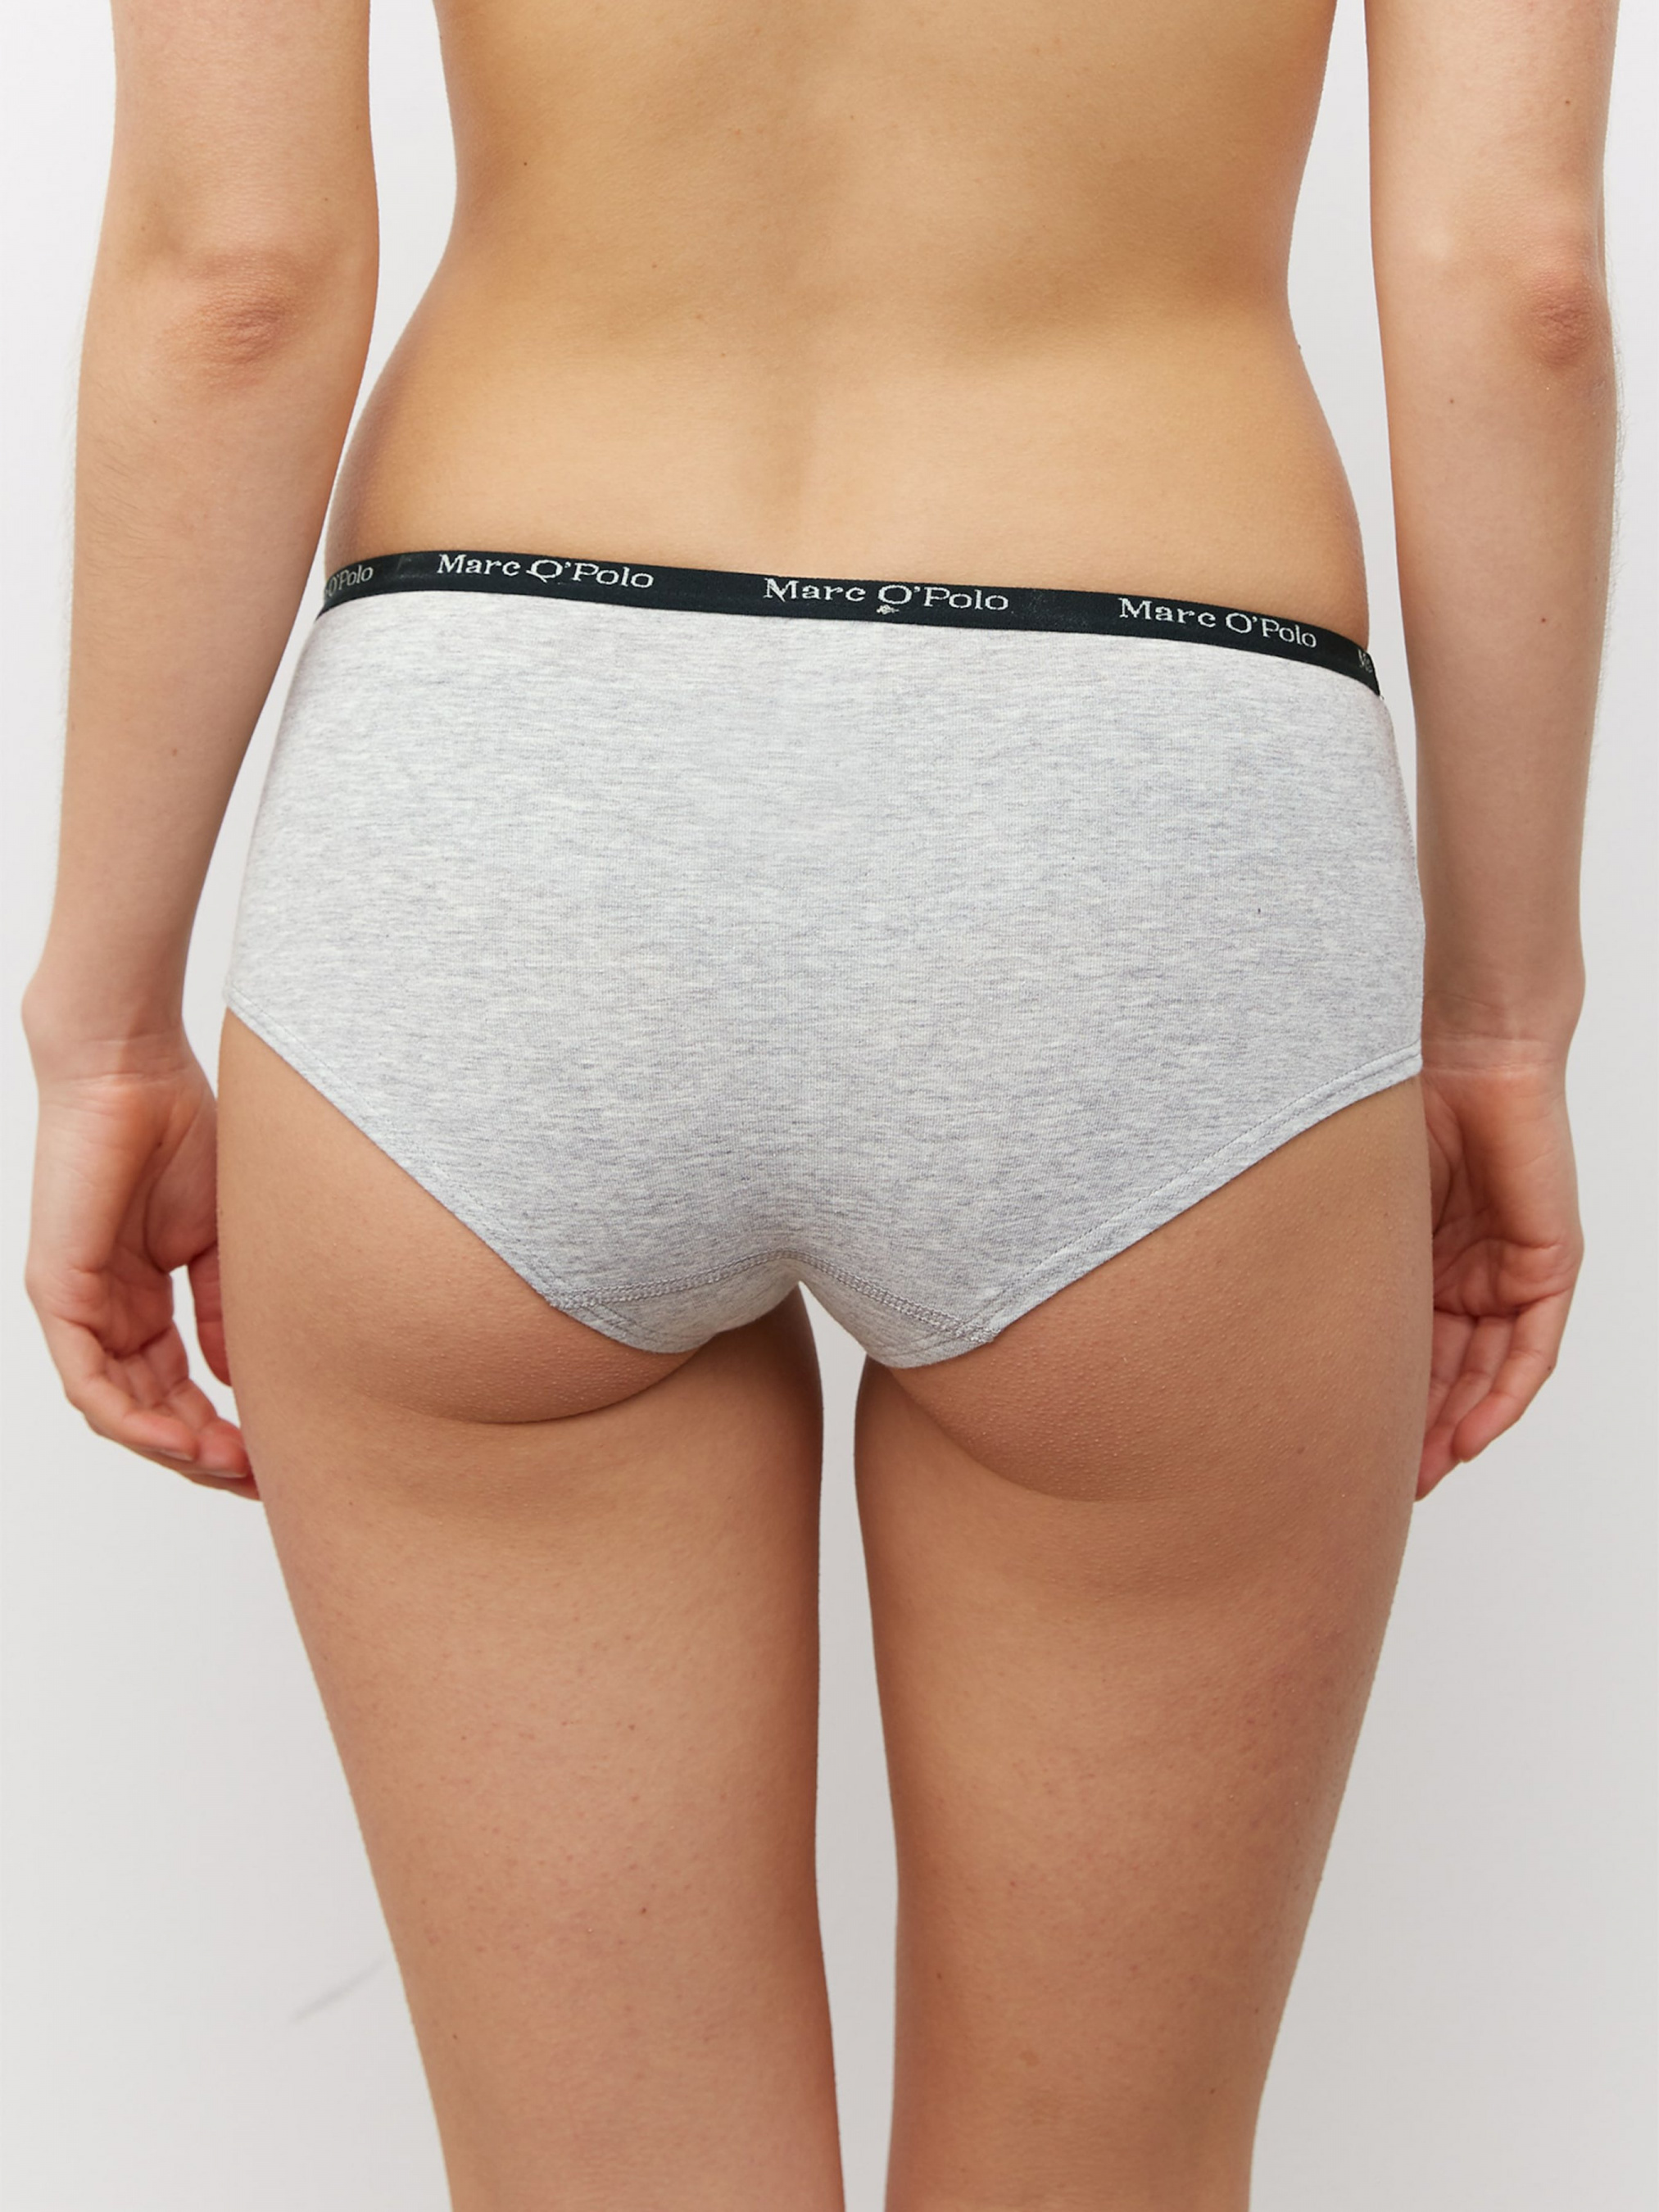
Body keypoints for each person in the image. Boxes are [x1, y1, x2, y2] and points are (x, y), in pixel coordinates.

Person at [21, 0, 1616, 2201]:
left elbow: (236, 276)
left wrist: (106, 1019)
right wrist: (1501, 1015)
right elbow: (1516, 278)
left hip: (503, 792)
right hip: (1141, 790)